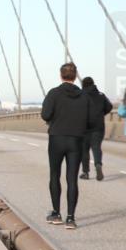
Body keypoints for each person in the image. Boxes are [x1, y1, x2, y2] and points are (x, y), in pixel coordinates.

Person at [41, 63, 91, 229]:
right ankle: (71, 218)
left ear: (61, 75)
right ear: (75, 76)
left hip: (57, 138)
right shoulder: (84, 96)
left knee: (55, 175)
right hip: (76, 140)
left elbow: (45, 114)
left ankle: (56, 213)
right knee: (72, 179)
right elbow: (90, 119)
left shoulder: (54, 93)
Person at [79, 77, 112, 181]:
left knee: (84, 150)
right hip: (98, 126)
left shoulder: (80, 95)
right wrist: (100, 114)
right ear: (93, 84)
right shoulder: (101, 95)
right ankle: (98, 165)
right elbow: (109, 107)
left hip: (83, 127)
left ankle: (86, 172)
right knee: (96, 147)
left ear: (83, 85)